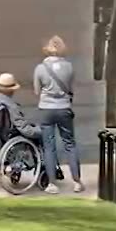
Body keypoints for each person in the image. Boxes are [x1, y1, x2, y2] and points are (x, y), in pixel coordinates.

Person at [33, 35, 84, 194]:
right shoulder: (69, 67)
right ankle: (76, 181)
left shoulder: (40, 68)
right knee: (70, 144)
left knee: (49, 147)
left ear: (47, 50)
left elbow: (36, 91)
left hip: (46, 109)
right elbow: (71, 89)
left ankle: (52, 184)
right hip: (64, 108)